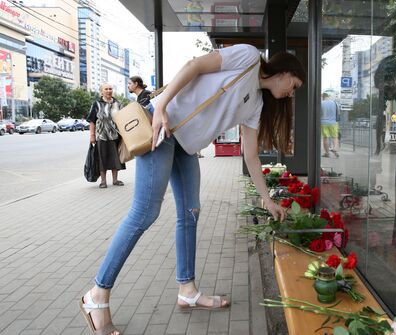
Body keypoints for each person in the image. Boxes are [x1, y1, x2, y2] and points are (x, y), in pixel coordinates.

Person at [79, 44, 305, 335]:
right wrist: (160, 108)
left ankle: (187, 290)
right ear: (285, 72)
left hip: (185, 147)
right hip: (163, 126)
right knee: (145, 212)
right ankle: (97, 294)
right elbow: (194, 65)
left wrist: (267, 199)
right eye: (294, 85)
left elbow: (250, 155)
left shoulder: (257, 106)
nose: (291, 92)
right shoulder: (248, 56)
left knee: (190, 213)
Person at [87, 84, 125, 189]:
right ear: (101, 91)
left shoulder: (118, 104)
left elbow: (123, 119)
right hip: (101, 135)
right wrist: (92, 135)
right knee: (102, 158)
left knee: (115, 158)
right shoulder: (97, 104)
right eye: (106, 89)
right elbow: (92, 121)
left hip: (115, 135)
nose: (109, 91)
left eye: (110, 89)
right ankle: (103, 181)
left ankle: (115, 180)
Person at [321, 92, 340, 158]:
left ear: (323, 97)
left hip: (323, 123)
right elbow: (338, 113)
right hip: (333, 123)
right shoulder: (335, 103)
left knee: (325, 138)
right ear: (328, 96)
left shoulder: (321, 103)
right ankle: (334, 148)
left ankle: (327, 153)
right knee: (335, 137)